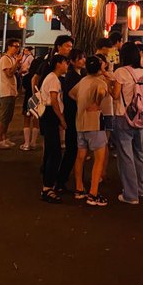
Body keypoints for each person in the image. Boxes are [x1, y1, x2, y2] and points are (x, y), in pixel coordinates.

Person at [70, 55, 112, 206]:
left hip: (80, 122)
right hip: (94, 123)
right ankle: (93, 193)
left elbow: (71, 93)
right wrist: (96, 103)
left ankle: (79, 188)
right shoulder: (99, 82)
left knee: (80, 155)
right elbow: (102, 92)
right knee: (99, 157)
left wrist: (83, 102)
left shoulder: (83, 81)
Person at [112, 42, 143, 204]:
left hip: (123, 116)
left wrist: (109, 83)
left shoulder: (120, 72)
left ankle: (130, 194)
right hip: (140, 116)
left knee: (126, 155)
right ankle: (140, 189)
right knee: (139, 153)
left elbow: (115, 95)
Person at [39, 54, 69, 203]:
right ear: (58, 64)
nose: (67, 66)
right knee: (55, 153)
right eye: (65, 63)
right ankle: (47, 188)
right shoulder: (53, 79)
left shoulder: (51, 77)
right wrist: (61, 119)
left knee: (52, 151)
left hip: (49, 115)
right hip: (50, 115)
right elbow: (54, 100)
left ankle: (48, 184)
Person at [57, 48, 85, 191]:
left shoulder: (82, 74)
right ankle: (61, 180)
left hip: (79, 116)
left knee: (77, 150)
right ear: (72, 61)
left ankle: (67, 179)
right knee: (71, 150)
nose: (83, 60)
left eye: (83, 58)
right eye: (79, 58)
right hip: (72, 116)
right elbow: (69, 98)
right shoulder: (71, 76)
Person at [0, 38, 21, 148]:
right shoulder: (5, 59)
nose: (17, 48)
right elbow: (9, 74)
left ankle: (4, 137)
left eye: (18, 46)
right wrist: (17, 63)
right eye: (15, 46)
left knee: (9, 117)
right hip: (6, 91)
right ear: (9, 47)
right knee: (4, 116)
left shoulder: (12, 58)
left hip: (11, 91)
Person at [20, 51, 44, 151]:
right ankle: (33, 142)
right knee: (36, 120)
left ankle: (26, 143)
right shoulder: (43, 77)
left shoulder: (27, 77)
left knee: (26, 119)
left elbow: (24, 87)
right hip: (39, 99)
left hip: (28, 99)